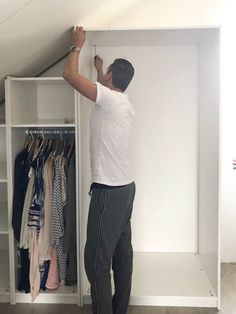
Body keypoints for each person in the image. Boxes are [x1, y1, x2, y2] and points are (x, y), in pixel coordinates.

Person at [63, 26, 136, 314]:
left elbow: (69, 76)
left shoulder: (109, 100)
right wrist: (100, 68)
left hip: (109, 191)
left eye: (104, 76)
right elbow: (103, 90)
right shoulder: (123, 103)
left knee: (95, 262)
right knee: (121, 256)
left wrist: (76, 46)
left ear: (109, 80)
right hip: (126, 189)